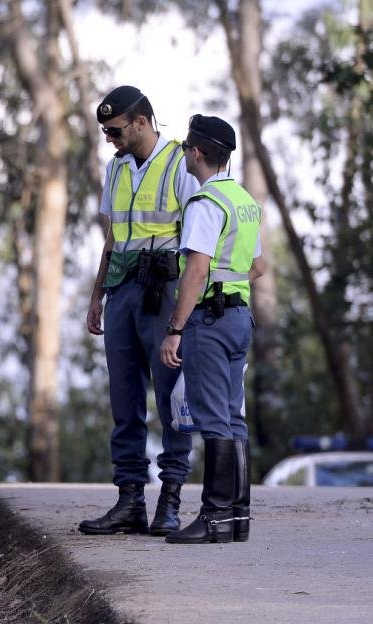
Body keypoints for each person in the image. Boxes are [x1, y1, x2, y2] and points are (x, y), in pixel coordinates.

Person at [80, 86, 198, 537]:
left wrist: (186, 314)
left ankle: (170, 499)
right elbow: (112, 238)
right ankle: (130, 499)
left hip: (165, 290)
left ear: (142, 121)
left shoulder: (179, 164)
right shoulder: (116, 167)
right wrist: (96, 295)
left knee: (172, 400)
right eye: (105, 132)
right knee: (124, 401)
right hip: (123, 291)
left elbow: (199, 242)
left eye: (114, 130)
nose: (109, 138)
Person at [160, 115, 264, 544]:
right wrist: (229, 285)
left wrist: (175, 327)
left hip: (211, 320)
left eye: (186, 148)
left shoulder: (205, 204)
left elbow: (197, 270)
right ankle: (235, 519)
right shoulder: (243, 201)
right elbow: (257, 267)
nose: (185, 154)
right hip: (240, 317)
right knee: (233, 418)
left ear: (197, 152)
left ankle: (213, 515)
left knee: (213, 419)